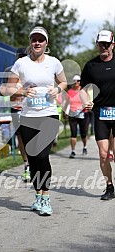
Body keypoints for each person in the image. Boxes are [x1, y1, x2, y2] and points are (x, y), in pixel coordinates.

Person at [0, 26, 67, 216]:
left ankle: (46, 198)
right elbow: (5, 89)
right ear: (30, 42)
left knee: (43, 155)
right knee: (33, 159)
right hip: (28, 117)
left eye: (41, 39)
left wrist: (58, 89)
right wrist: (21, 91)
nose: (37, 43)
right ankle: (38, 196)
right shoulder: (21, 64)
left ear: (46, 43)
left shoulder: (54, 62)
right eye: (34, 39)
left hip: (48, 114)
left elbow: (63, 82)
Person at [81, 29, 115, 200]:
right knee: (103, 154)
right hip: (100, 113)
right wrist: (86, 100)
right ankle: (109, 187)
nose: (103, 47)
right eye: (100, 44)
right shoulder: (90, 66)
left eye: (106, 44)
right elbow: (83, 90)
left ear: (113, 45)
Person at [0, 48, 30, 182]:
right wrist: (18, 93)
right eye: (20, 56)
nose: (22, 58)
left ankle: (34, 163)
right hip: (16, 109)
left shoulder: (33, 70)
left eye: (25, 56)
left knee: (32, 137)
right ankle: (27, 165)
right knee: (22, 138)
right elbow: (1, 90)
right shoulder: (9, 71)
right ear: (16, 57)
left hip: (32, 109)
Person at [63, 75, 90, 158]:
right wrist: (64, 113)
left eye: (78, 81)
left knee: (83, 134)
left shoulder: (84, 91)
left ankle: (84, 147)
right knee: (73, 133)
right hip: (73, 113)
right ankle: (73, 151)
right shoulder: (70, 92)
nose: (76, 82)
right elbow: (66, 103)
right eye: (74, 81)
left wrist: (84, 108)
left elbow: (88, 102)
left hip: (83, 113)